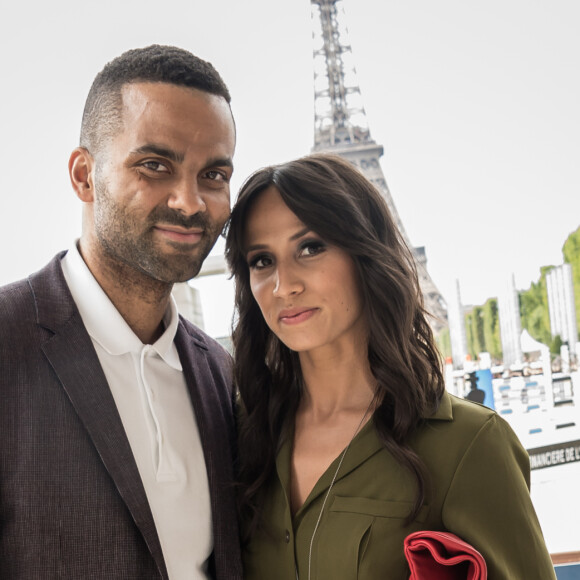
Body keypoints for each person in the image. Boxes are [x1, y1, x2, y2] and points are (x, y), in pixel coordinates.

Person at [224, 153, 556, 579]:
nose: (283, 285)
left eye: (310, 248)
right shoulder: (242, 435)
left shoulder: (469, 445)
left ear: (365, 255)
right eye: (261, 261)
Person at [0, 45, 241, 580]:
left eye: (214, 175)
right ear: (84, 176)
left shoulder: (219, 375)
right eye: (155, 165)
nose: (190, 202)